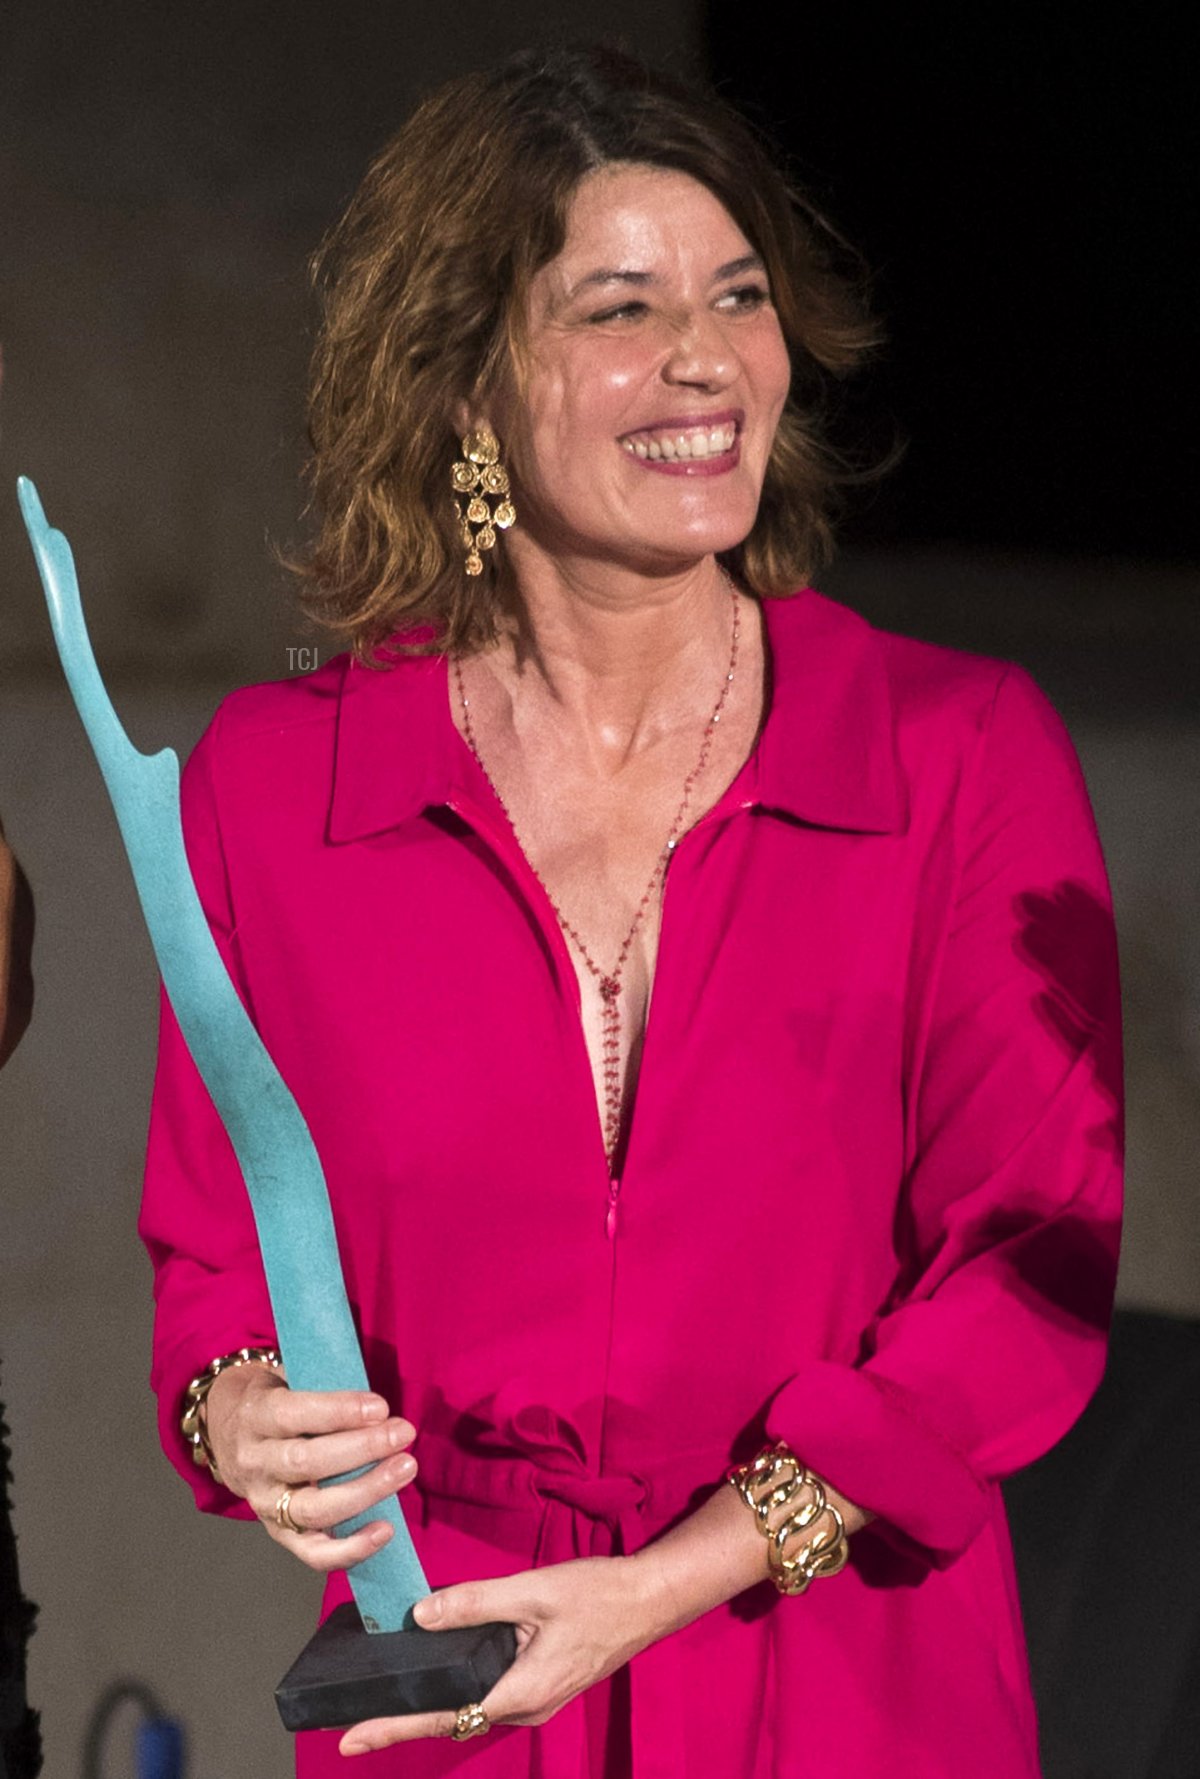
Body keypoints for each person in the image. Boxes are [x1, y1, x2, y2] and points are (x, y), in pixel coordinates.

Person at [139, 45, 1123, 1779]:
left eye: (738, 296)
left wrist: (677, 1577)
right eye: (619, 307)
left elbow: (1025, 1270)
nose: (706, 359)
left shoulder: (957, 752)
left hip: (842, 1670)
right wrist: (240, 1416)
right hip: (450, 1679)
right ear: (462, 388)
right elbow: (214, 1249)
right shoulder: (279, 790)